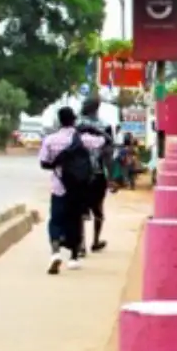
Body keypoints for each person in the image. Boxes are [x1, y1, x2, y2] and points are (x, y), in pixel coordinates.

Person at [38, 106, 105, 274]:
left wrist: (57, 164)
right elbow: (105, 141)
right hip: (78, 188)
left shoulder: (50, 139)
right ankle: (74, 257)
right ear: (74, 120)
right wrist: (93, 130)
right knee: (75, 221)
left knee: (56, 220)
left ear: (59, 121)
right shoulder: (83, 139)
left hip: (58, 187)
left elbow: (43, 163)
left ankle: (55, 253)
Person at [76, 97, 115, 254]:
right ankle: (95, 241)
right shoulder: (105, 126)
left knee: (80, 210)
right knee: (98, 209)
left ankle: (81, 246)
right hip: (98, 173)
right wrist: (111, 177)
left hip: (80, 174)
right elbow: (108, 154)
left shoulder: (76, 125)